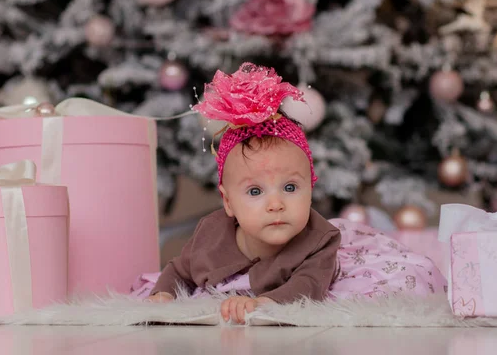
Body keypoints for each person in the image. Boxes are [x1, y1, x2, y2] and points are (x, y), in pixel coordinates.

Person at [132, 63, 447, 324]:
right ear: (228, 202)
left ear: (311, 188)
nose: (276, 204)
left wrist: (266, 303)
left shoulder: (318, 239)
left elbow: (308, 285)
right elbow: (179, 269)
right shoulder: (210, 236)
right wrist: (164, 293)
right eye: (255, 191)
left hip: (319, 269)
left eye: (291, 187)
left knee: (402, 280)